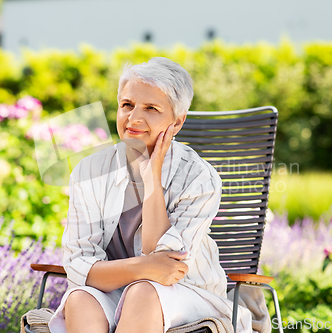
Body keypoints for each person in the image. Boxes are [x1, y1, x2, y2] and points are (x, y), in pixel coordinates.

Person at [48, 57, 253, 333]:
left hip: (189, 294)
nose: (133, 118)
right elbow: (80, 266)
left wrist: (152, 179)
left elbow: (167, 271)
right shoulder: (89, 171)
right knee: (80, 298)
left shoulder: (198, 178)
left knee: (144, 292)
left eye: (151, 108)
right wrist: (142, 267)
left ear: (177, 122)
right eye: (127, 105)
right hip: (115, 291)